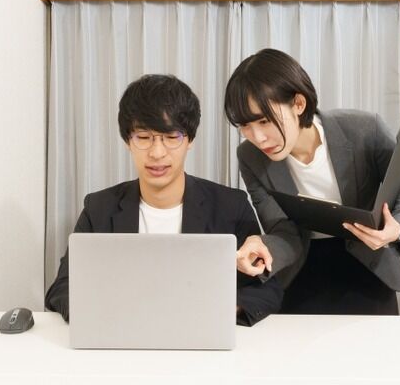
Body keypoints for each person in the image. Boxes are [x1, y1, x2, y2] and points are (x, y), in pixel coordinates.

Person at [46, 74, 283, 326]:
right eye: (143, 137)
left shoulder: (230, 206)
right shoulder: (99, 208)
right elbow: (62, 288)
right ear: (127, 141)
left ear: (190, 140)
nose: (157, 153)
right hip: (122, 334)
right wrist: (109, 312)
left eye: (171, 137)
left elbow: (266, 290)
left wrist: (215, 311)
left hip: (199, 335)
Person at [224, 48, 400, 315]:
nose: (257, 137)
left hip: (371, 265)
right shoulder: (250, 156)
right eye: (245, 126)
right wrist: (261, 246)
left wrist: (398, 230)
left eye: (264, 120)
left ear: (298, 104)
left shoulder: (364, 129)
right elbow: (283, 230)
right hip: (302, 271)